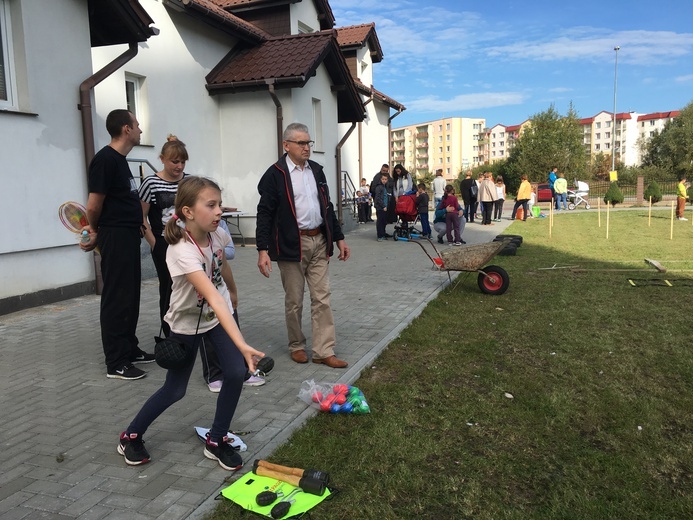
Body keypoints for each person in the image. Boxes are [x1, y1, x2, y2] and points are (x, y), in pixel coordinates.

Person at [117, 176, 265, 470]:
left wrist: (233, 292)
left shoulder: (218, 235)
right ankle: (130, 435)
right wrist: (242, 343)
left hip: (214, 315)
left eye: (220, 204)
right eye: (211, 205)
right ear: (187, 211)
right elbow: (210, 294)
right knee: (175, 390)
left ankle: (217, 439)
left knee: (235, 373)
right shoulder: (180, 250)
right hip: (186, 324)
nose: (219, 211)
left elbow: (221, 268)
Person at [256, 123, 350, 369]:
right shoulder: (275, 174)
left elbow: (327, 207)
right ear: (286, 145)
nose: (306, 147)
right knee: (295, 300)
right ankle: (297, 345)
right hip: (291, 244)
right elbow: (264, 213)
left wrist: (338, 238)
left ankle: (323, 350)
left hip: (318, 240)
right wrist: (262, 249)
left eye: (308, 143)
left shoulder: (316, 170)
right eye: (301, 143)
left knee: (322, 298)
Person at [81, 109, 154, 380]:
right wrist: (95, 230)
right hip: (114, 235)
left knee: (130, 294)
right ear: (126, 129)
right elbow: (93, 204)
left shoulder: (120, 160)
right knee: (116, 297)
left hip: (127, 234)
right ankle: (116, 362)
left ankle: (129, 348)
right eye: (137, 125)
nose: (140, 130)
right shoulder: (105, 161)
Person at [139, 135, 188, 338]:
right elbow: (141, 217)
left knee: (190, 286)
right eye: (174, 161)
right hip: (163, 243)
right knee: (168, 288)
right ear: (162, 159)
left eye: (182, 161)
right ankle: (170, 335)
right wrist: (153, 243)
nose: (179, 166)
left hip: (188, 242)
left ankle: (190, 330)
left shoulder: (189, 181)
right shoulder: (151, 182)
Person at [370, 164, 395, 235]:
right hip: (379, 202)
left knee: (384, 219)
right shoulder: (377, 177)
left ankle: (383, 232)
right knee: (380, 220)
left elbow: (391, 185)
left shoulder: (388, 177)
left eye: (386, 171)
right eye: (383, 170)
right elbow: (373, 189)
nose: (385, 172)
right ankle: (380, 234)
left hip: (386, 201)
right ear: (381, 169)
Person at [374, 173, 389, 241]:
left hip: (384, 207)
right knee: (380, 221)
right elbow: (378, 198)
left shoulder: (384, 187)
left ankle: (383, 233)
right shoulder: (379, 187)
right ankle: (380, 236)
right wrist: (383, 206)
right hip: (380, 207)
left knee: (383, 221)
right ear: (380, 179)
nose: (384, 180)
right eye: (383, 179)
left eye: (385, 179)